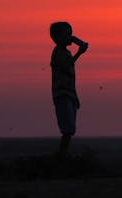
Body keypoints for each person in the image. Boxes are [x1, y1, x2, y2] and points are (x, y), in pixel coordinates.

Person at [49, 21, 89, 156]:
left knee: (70, 129)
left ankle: (63, 155)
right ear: (58, 37)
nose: (71, 37)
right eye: (68, 34)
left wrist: (75, 96)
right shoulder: (58, 52)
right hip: (62, 94)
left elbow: (71, 79)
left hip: (69, 94)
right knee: (67, 129)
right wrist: (79, 53)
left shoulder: (66, 52)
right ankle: (62, 156)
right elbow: (66, 66)